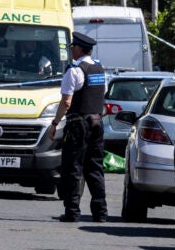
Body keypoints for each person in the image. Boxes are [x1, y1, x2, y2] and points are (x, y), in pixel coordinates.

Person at [47, 32, 107, 223]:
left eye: (73, 46)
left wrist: (55, 123)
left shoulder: (74, 70)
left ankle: (72, 211)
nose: (71, 48)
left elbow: (66, 102)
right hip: (97, 123)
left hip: (78, 124)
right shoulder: (99, 69)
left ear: (79, 49)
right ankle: (100, 212)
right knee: (95, 168)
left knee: (73, 167)